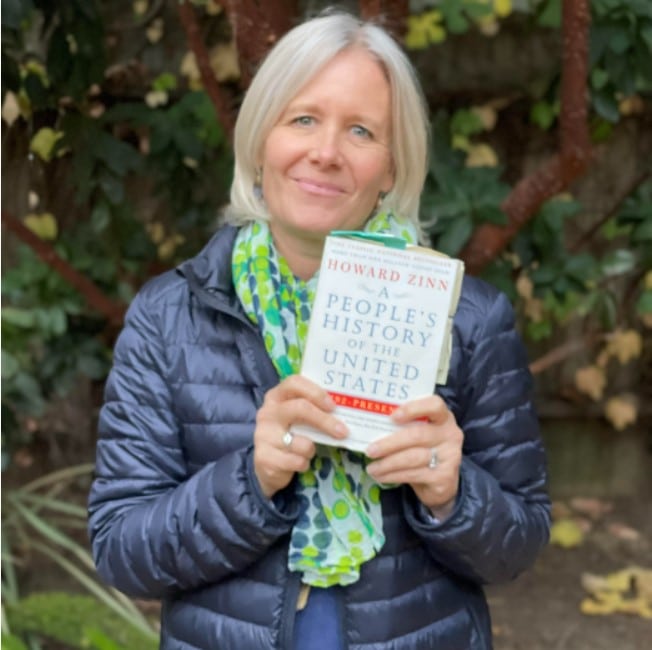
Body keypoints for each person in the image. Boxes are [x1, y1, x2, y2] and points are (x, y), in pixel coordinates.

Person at [88, 10, 550, 650]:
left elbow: (517, 547)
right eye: (302, 118)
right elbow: (120, 552)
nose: (325, 153)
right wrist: (251, 479)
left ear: (391, 168)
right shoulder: (168, 319)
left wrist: (452, 491)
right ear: (259, 141)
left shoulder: (468, 319)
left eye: (361, 131)